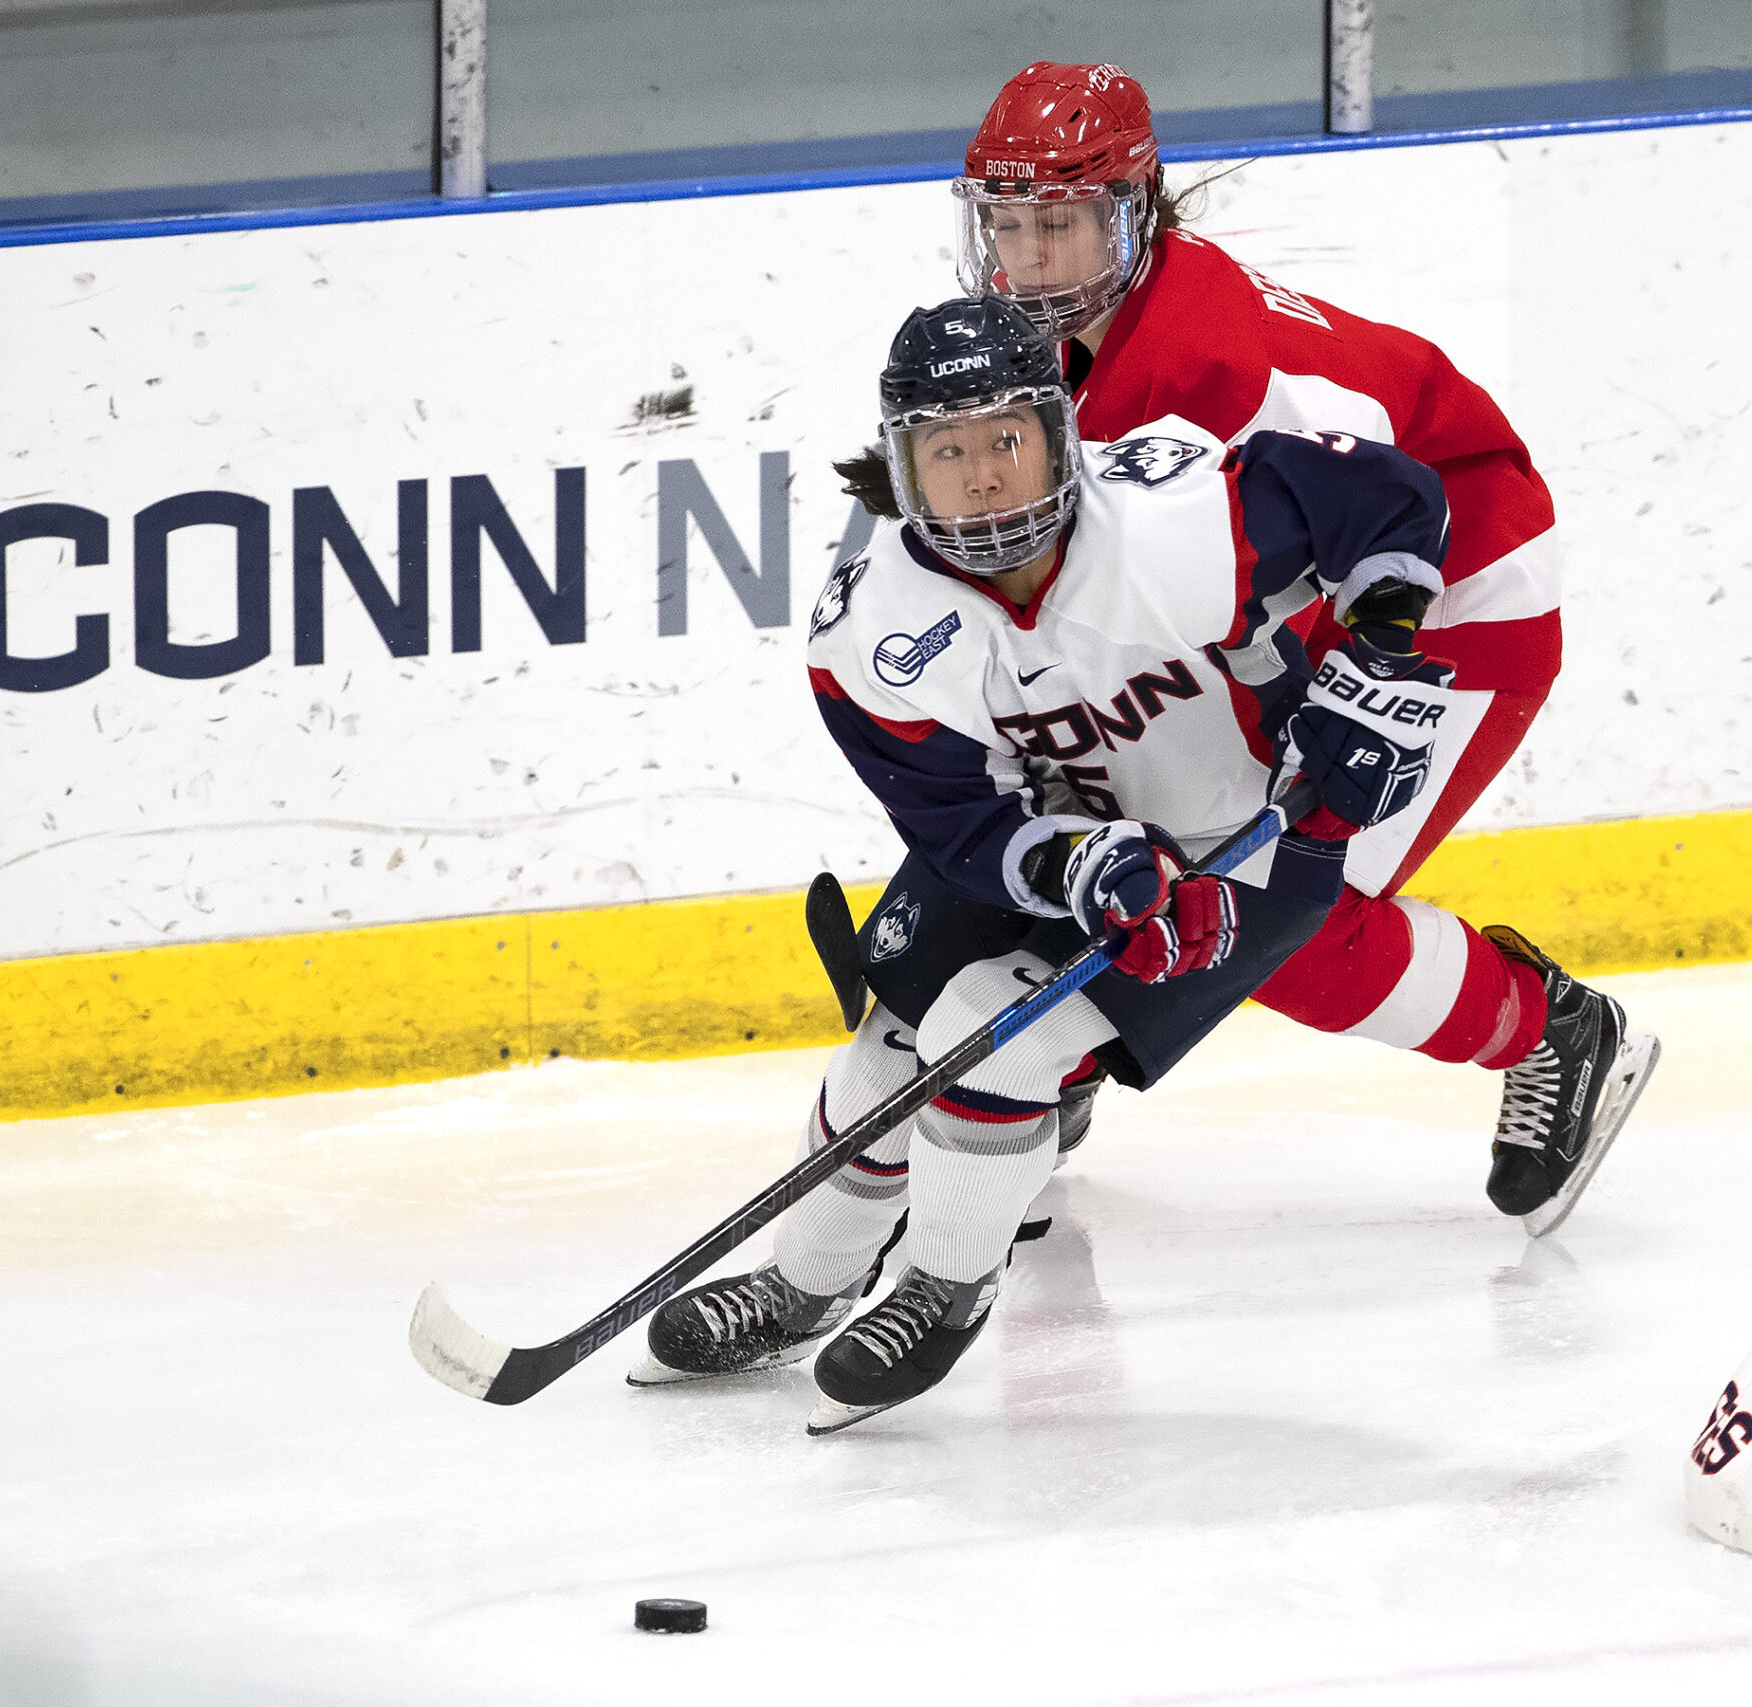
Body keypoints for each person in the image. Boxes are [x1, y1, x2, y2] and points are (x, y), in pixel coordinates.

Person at [629, 294, 1622, 1434]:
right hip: (1056, 837)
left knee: (991, 1033)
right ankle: (807, 1282)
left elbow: (1388, 500)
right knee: (890, 1040)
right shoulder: (869, 638)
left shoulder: (1177, 516)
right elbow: (958, 824)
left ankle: (948, 1284)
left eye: (1006, 439)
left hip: (1236, 846)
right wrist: (1077, 869)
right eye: (948, 454)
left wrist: (1378, 651)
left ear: (1060, 433)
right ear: (902, 473)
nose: (986, 477)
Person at [948, 63, 1656, 1232]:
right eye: (1008, 226)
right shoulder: (1074, 328)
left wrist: (1361, 670)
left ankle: (1556, 1028)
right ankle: (1055, 1065)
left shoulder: (1221, 371)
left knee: (1290, 918)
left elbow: (1397, 510)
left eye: (1061, 227)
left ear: (1132, 208)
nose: (1028, 260)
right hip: (1292, 589)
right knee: (1116, 801)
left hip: (1454, 596)